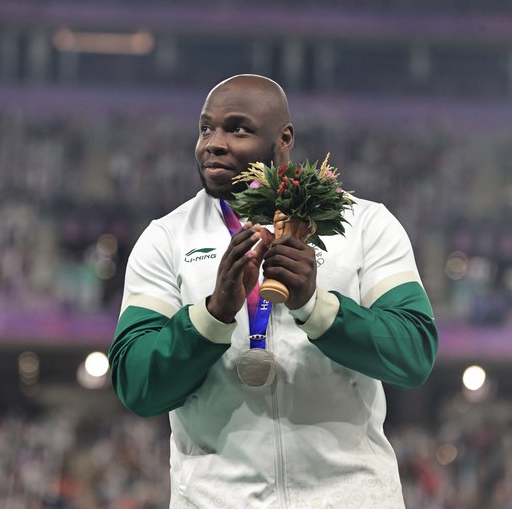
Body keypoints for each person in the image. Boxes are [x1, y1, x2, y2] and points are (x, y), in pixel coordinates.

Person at [108, 74, 438, 508]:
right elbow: (136, 383)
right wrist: (212, 316)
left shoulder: (365, 225)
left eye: (237, 129)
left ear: (284, 139)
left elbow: (413, 354)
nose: (214, 143)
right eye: (206, 128)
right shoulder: (166, 238)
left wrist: (316, 308)